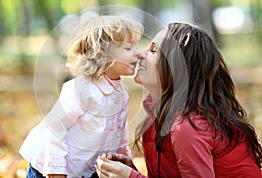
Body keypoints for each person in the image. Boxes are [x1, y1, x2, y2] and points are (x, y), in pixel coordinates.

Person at [96, 22, 262, 178]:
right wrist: (130, 169)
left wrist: (131, 176)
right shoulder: (155, 119)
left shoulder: (188, 128)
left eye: (153, 51)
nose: (140, 53)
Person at [19, 15, 143, 178]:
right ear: (102, 55)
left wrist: (124, 163)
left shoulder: (120, 93)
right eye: (128, 48)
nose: (138, 53)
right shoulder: (81, 89)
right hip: (48, 168)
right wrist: (56, 171)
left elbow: (118, 135)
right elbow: (56, 128)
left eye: (136, 46)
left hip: (80, 169)